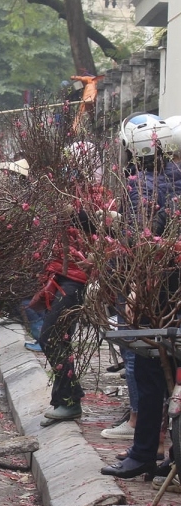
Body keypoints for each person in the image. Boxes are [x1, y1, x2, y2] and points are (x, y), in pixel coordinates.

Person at [101, 114, 180, 479]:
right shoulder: (176, 177)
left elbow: (141, 242)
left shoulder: (138, 186)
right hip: (173, 292)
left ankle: (144, 453)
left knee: (148, 376)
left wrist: (133, 289)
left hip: (155, 292)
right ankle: (169, 454)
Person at [30, 141, 112, 426]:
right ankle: (63, 399)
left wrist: (73, 213)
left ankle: (69, 399)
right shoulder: (67, 193)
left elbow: (105, 228)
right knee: (59, 337)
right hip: (63, 276)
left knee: (51, 336)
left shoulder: (97, 198)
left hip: (78, 280)